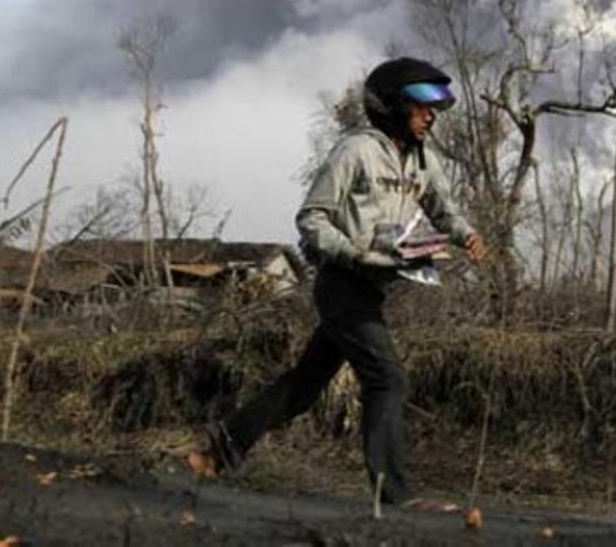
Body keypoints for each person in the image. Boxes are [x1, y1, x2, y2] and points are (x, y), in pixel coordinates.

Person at [186, 56, 486, 510]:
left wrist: (466, 234)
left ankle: (215, 452)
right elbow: (311, 218)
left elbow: (443, 206)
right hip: (342, 284)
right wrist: (354, 252)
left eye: (435, 108)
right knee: (387, 379)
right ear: (390, 106)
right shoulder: (356, 151)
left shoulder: (423, 159)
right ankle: (396, 495)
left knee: (304, 388)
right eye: (421, 106)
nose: (431, 116)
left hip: (371, 289)